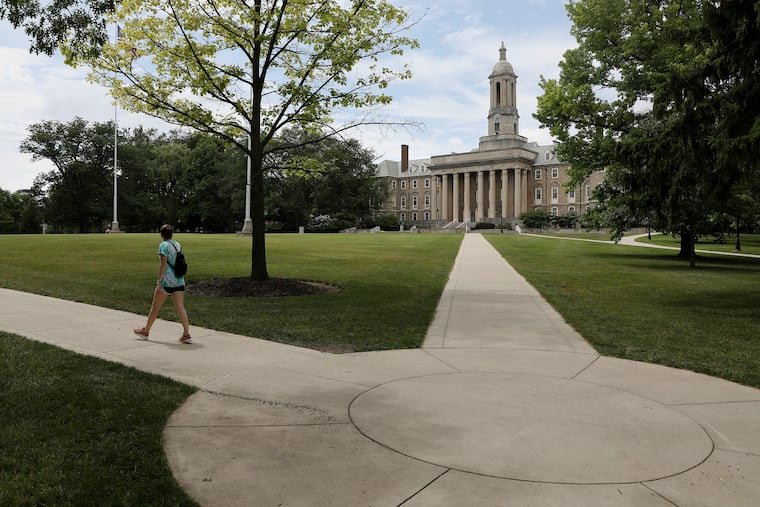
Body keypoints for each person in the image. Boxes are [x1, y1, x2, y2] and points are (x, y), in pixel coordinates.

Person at [133, 224, 192, 343]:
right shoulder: (178, 245)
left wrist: (159, 281)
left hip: (167, 282)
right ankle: (186, 333)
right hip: (179, 280)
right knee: (180, 307)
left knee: (155, 307)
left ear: (161, 234)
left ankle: (146, 331)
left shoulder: (163, 246)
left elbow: (163, 265)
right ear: (172, 234)